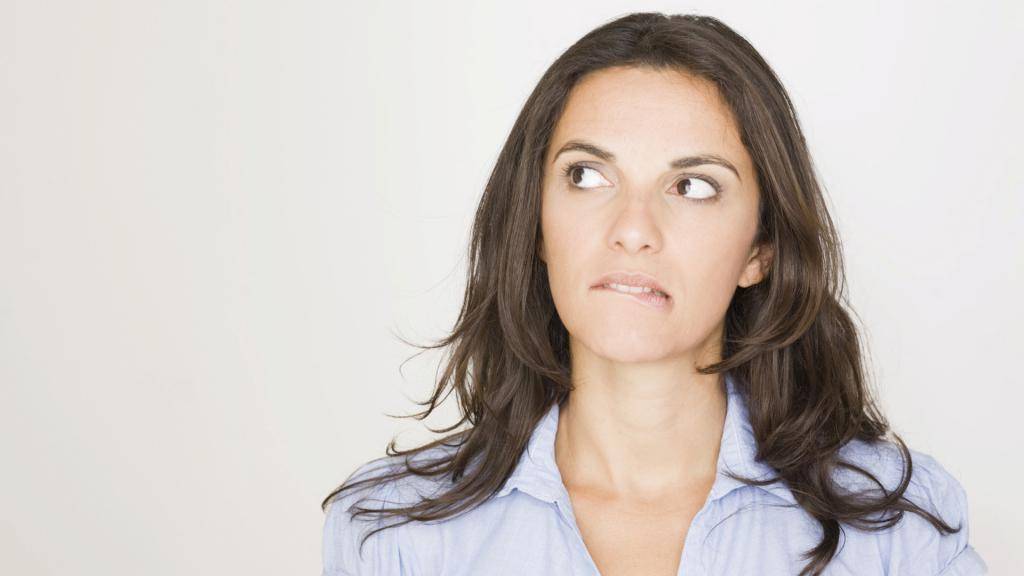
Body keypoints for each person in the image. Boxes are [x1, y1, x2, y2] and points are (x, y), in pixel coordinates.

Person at [321, 12, 987, 576]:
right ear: (536, 225)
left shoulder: (898, 529)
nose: (633, 230)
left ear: (760, 250)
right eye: (587, 175)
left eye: (693, 186)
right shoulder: (391, 534)